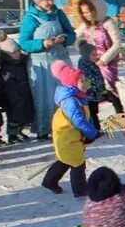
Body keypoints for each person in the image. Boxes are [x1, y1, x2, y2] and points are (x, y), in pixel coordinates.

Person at [19, 0, 75, 140]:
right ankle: (44, 129)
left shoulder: (59, 14)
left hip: (61, 61)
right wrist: (42, 44)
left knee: (65, 96)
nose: (51, 2)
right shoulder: (30, 18)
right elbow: (23, 43)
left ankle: (66, 126)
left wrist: (65, 38)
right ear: (38, 1)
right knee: (44, 98)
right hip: (42, 65)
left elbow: (72, 34)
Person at [41, 61, 99, 197]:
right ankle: (80, 192)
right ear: (72, 84)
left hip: (72, 138)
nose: (85, 83)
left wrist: (92, 130)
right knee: (78, 164)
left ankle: (49, 181)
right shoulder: (70, 101)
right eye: (81, 81)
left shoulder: (79, 97)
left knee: (65, 160)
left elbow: (87, 117)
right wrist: (91, 133)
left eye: (85, 79)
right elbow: (79, 120)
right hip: (66, 138)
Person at [76, 0, 124, 114]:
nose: (85, 15)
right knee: (91, 89)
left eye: (88, 11)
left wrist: (104, 59)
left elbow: (117, 43)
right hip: (90, 62)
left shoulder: (108, 22)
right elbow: (75, 37)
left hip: (106, 63)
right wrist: (83, 50)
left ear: (96, 10)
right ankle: (93, 118)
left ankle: (120, 113)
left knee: (108, 88)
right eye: (83, 12)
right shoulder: (85, 25)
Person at [0, 38, 35, 144]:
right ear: (7, 54)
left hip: (24, 93)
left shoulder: (21, 61)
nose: (17, 54)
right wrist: (15, 98)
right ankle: (12, 135)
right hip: (14, 97)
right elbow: (9, 85)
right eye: (14, 53)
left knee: (24, 115)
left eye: (18, 51)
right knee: (14, 118)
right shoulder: (7, 68)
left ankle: (19, 131)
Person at [76, 40, 106, 131]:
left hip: (94, 94)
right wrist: (92, 90)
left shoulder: (91, 64)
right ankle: (94, 129)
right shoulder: (85, 67)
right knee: (92, 113)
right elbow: (89, 81)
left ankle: (94, 129)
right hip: (89, 95)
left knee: (93, 112)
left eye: (96, 54)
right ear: (86, 55)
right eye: (93, 54)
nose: (96, 56)